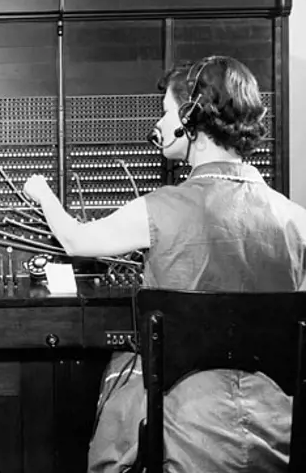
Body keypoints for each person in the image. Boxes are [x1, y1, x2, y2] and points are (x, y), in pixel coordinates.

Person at [23, 55, 306, 472]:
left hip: (187, 433)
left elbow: (76, 240)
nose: (160, 123)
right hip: (281, 434)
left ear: (190, 119)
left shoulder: (159, 209)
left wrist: (43, 192)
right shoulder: (296, 219)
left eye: (166, 113)